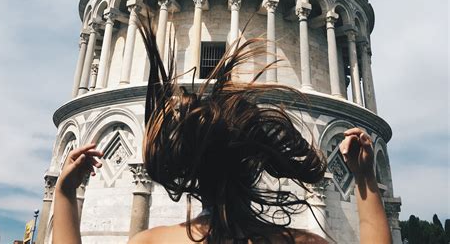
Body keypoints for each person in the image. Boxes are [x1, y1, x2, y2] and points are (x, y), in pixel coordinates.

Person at [53, 29, 392, 244]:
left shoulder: (152, 241)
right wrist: (365, 182)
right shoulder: (301, 242)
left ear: (191, 172)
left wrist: (66, 193)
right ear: (256, 165)